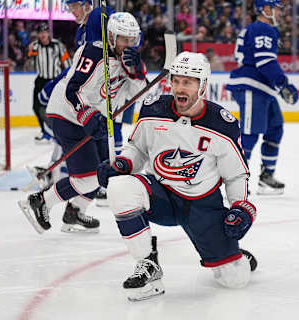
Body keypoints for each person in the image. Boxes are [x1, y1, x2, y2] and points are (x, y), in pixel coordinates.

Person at [96, 51, 258, 301]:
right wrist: (122, 162)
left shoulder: (222, 124)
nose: (180, 87)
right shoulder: (153, 109)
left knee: (234, 280)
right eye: (176, 80)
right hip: (162, 195)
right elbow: (137, 148)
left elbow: (236, 174)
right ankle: (148, 265)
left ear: (202, 86)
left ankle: (235, 256)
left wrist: (241, 207)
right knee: (120, 187)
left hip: (203, 206)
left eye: (188, 82)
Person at [18, 12, 147, 234]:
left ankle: (74, 213)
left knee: (103, 172)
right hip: (67, 114)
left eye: (132, 40)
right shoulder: (94, 53)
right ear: (111, 37)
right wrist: (87, 114)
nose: (128, 45)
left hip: (91, 118)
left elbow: (142, 96)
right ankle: (40, 202)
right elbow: (72, 90)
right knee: (87, 178)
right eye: (124, 39)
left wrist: (137, 73)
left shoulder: (128, 61)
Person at [226, 0, 299, 195]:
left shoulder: (261, 28)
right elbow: (265, 62)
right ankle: (236, 180)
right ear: (265, 9)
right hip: (252, 85)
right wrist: (284, 84)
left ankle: (266, 177)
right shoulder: (262, 28)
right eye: (276, 7)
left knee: (275, 127)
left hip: (262, 88)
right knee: (249, 133)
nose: (280, 12)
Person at [27, 23, 71, 143]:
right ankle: (45, 132)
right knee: (36, 107)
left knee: (55, 108)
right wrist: (30, 51)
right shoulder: (35, 46)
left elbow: (66, 62)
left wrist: (68, 77)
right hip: (41, 80)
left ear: (48, 33)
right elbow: (30, 61)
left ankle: (56, 132)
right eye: (40, 32)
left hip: (54, 81)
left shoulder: (58, 46)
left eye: (45, 32)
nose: (42, 34)